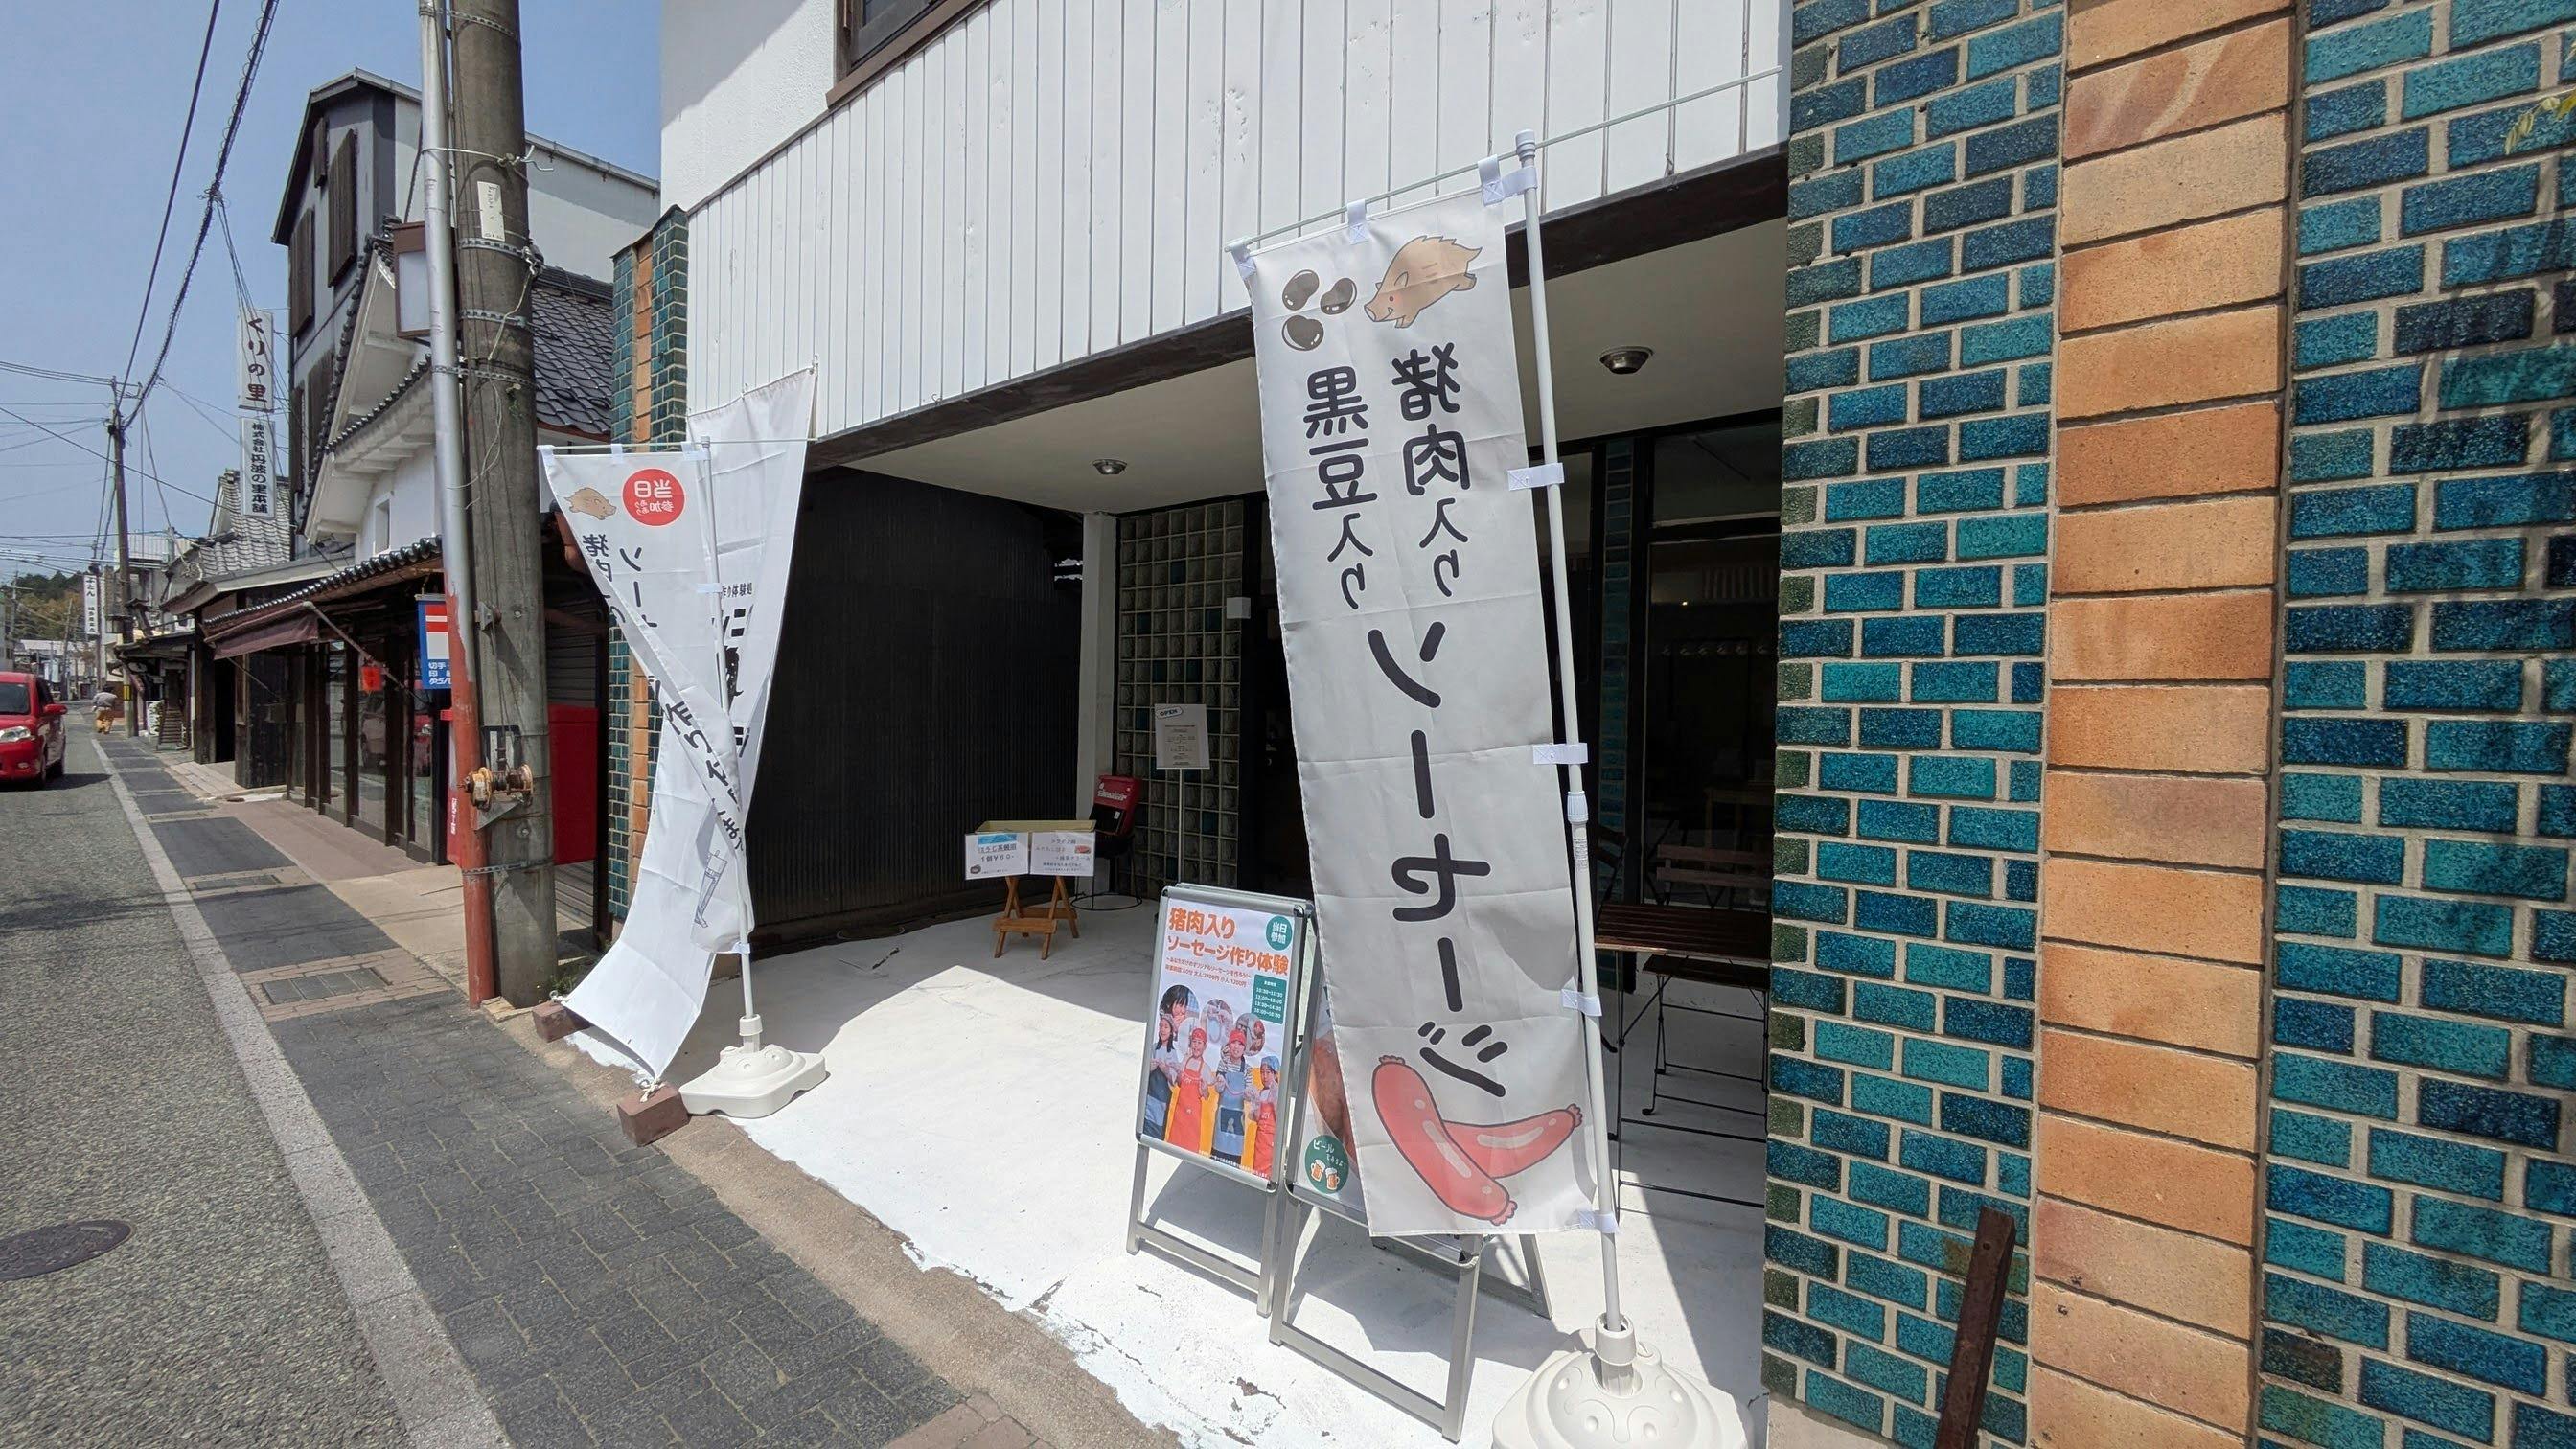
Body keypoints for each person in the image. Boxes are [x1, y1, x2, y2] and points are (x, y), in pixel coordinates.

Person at [1164, 1026, 1208, 1153]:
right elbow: (1179, 1083)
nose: (1196, 1046)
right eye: (1194, 1042)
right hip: (1180, 1111)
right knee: (1173, 1145)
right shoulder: (1185, 1060)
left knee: (1190, 1147)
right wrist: (1178, 1073)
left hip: (1193, 1115)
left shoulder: (1205, 1068)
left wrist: (1204, 1089)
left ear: (1204, 1047)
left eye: (1199, 1043)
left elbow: (1206, 1096)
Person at [1142, 1013, 1181, 1139]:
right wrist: (1150, 1068)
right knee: (1145, 1123)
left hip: (1162, 1099)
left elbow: (1174, 1080)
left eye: (1166, 1027)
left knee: (1157, 1128)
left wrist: (1166, 1071)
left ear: (1171, 1032)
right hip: (1149, 1095)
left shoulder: (1172, 1053)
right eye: (1161, 1026)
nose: (1162, 1030)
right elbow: (1144, 1071)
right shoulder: (1153, 1047)